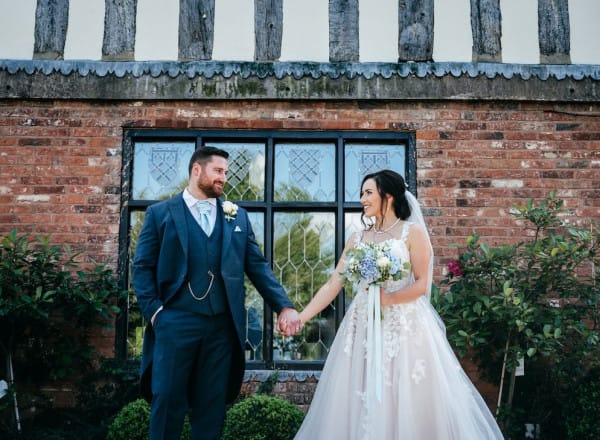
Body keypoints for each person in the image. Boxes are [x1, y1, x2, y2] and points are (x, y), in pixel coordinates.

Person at [292, 170, 504, 439]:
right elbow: (334, 283)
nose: (362, 199)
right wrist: (302, 316)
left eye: (368, 193)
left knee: (404, 397)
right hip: (363, 325)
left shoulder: (411, 233)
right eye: (362, 194)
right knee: (359, 392)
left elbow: (422, 284)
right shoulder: (358, 238)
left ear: (388, 196)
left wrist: (388, 298)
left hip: (404, 327)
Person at [133, 146, 302, 440]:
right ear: (197, 170)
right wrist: (156, 314)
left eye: (226, 172)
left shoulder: (236, 217)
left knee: (211, 406)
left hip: (221, 327)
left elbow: (257, 266)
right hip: (175, 321)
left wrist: (283, 306)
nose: (224, 177)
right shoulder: (160, 214)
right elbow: (142, 267)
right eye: (218, 171)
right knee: (167, 400)